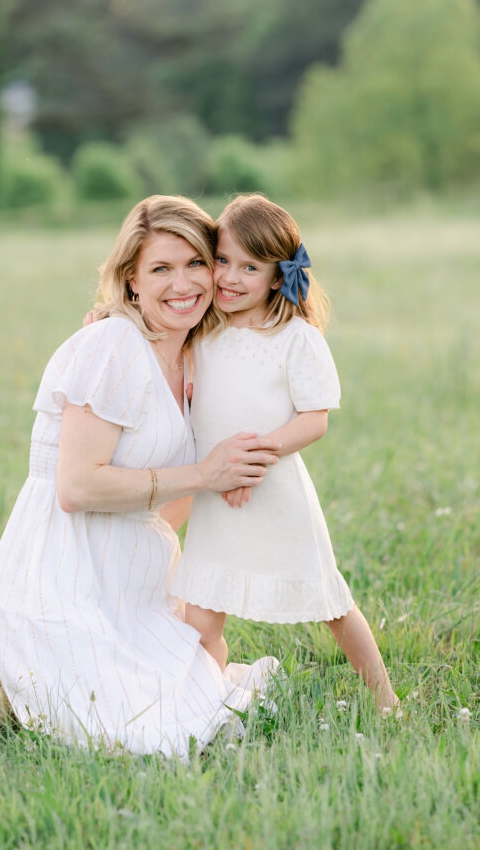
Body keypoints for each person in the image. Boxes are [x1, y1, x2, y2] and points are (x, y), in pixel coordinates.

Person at [0, 195, 280, 758]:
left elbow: (175, 501)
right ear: (131, 281)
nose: (182, 283)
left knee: (207, 704)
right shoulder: (112, 344)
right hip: (63, 574)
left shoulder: (196, 357)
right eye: (160, 269)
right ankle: (13, 649)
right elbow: (75, 489)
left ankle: (43, 663)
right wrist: (205, 473)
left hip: (129, 582)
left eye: (196, 263)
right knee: (142, 736)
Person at [170, 194, 400, 714]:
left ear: (278, 277)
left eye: (249, 267)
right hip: (215, 496)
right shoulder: (202, 330)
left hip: (273, 493)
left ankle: (385, 698)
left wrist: (251, 459)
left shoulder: (295, 338)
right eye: (222, 261)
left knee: (330, 604)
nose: (229, 277)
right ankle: (208, 701)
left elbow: (313, 418)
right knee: (201, 617)